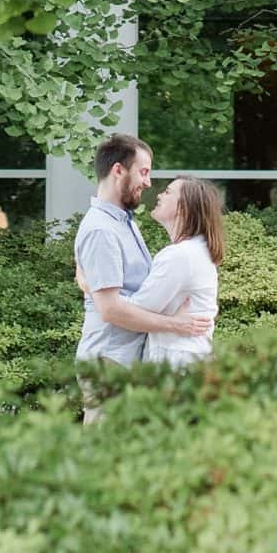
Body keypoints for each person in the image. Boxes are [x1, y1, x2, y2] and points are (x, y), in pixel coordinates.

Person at [74, 133, 209, 423]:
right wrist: (176, 325)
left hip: (125, 359)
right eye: (144, 172)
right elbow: (110, 310)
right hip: (109, 360)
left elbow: (131, 291)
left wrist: (87, 285)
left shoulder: (124, 222)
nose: (148, 183)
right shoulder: (102, 230)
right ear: (118, 170)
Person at [128, 175, 223, 366]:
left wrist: (96, 289)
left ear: (184, 207)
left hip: (177, 364)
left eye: (168, 192)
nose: (159, 196)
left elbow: (134, 311)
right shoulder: (194, 252)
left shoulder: (181, 255)